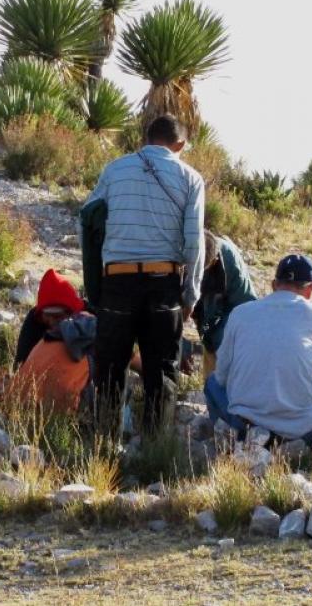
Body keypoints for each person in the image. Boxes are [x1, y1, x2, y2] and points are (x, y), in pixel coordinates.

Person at [84, 114, 205, 434]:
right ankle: (154, 452)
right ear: (180, 144)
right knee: (161, 373)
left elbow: (88, 220)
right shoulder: (191, 178)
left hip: (117, 281)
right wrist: (191, 293)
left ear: (146, 139)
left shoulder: (114, 170)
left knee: (110, 369)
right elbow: (194, 241)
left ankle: (104, 448)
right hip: (163, 283)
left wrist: (94, 284)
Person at [204, 255, 312, 449]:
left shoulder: (240, 313)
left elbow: (222, 376)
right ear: (311, 288)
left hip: (245, 424)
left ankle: (236, 445)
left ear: (274, 284)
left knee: (211, 383)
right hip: (303, 430)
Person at [192, 230, 258, 378]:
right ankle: (212, 390)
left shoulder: (229, 260)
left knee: (223, 345)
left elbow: (245, 308)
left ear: (214, 260)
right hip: (204, 307)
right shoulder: (183, 251)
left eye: (201, 270)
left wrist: (221, 344)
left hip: (231, 310)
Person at [14, 269, 87, 368]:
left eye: (57, 316)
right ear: (41, 313)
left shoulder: (87, 318)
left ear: (71, 312)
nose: (52, 321)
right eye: (47, 316)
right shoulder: (34, 320)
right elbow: (21, 363)